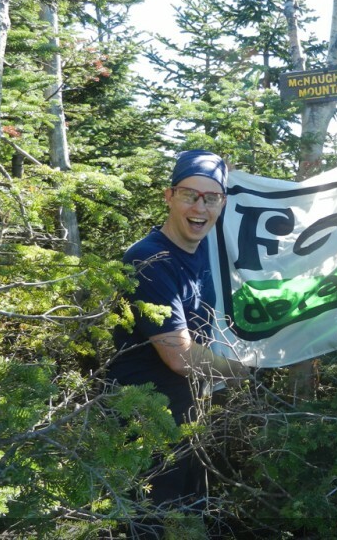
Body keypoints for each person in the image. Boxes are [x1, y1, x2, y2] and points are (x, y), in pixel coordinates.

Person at [108, 149, 245, 538]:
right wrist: (242, 369)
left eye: (212, 197)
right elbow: (181, 357)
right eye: (189, 195)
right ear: (169, 196)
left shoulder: (205, 251)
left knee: (190, 516)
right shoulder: (149, 260)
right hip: (146, 418)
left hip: (188, 414)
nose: (200, 207)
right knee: (151, 520)